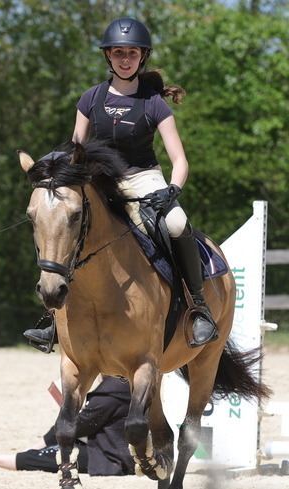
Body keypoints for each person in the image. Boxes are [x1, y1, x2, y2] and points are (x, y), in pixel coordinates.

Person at [24, 16, 218, 353]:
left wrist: (172, 189)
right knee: (64, 224)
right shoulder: (90, 98)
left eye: (131, 53)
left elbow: (180, 160)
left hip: (144, 178)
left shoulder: (153, 103)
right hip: (100, 182)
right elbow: (74, 149)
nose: (124, 59)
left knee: (176, 223)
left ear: (141, 57)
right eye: (117, 53)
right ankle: (55, 320)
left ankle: (197, 308)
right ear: (108, 57)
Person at [0, 376, 134, 476]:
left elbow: (81, 426)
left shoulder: (113, 387)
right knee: (61, 428)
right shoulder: (123, 382)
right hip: (110, 445)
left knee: (53, 455)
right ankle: (29, 451)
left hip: (111, 456)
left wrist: (69, 410)